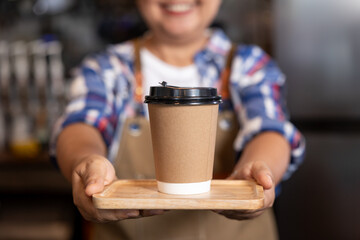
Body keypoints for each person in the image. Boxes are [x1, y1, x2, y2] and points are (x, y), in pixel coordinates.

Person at [51, 0, 305, 239]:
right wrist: (85, 161)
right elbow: (81, 125)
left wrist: (259, 167)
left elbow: (270, 129)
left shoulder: (250, 65)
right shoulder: (106, 68)